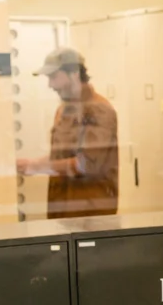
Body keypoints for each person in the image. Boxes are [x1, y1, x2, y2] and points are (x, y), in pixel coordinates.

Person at [17, 49, 119, 219]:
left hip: (90, 212)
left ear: (74, 73)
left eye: (53, 77)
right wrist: (31, 164)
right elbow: (61, 156)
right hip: (62, 208)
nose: (50, 85)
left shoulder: (99, 109)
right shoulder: (64, 110)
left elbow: (87, 164)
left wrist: (39, 167)